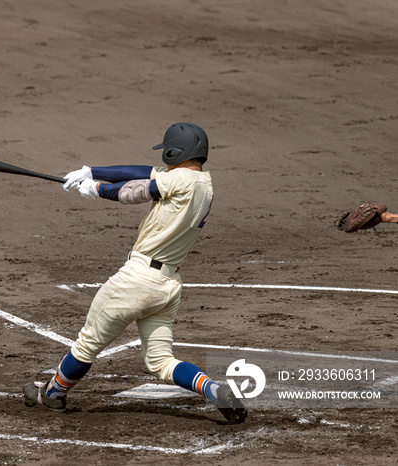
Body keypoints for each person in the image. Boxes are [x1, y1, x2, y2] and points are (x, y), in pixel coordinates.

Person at [23, 122, 247, 424]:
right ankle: (214, 388)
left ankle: (53, 392)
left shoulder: (180, 180)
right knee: (161, 361)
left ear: (175, 150)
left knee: (87, 343)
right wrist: (92, 171)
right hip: (167, 286)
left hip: (137, 280)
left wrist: (97, 190)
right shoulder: (202, 184)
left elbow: (139, 190)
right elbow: (144, 171)